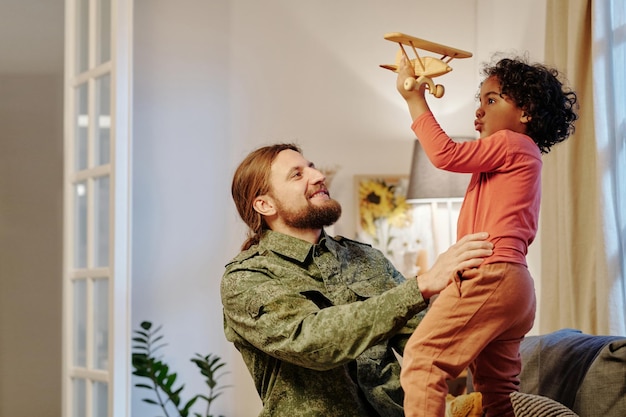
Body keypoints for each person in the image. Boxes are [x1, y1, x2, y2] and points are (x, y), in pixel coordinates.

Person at [221, 143, 494, 417]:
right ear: (265, 204)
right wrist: (421, 285)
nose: (317, 177)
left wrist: (479, 293)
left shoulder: (366, 258)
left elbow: (430, 340)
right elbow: (314, 342)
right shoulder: (245, 277)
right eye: (297, 174)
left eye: (312, 168)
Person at [395, 55, 578, 417]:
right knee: (496, 390)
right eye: (479, 102)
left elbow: (445, 154)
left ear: (525, 112)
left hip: (492, 274)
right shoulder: (517, 158)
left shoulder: (512, 143)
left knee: (423, 361)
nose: (479, 111)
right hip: (516, 286)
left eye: (491, 100)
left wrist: (415, 99)